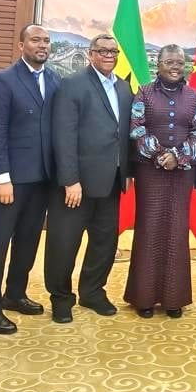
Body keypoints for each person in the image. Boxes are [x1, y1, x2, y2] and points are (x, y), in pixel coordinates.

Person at [45, 34, 133, 324]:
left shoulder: (123, 87)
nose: (109, 55)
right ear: (90, 53)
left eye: (113, 51)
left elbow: (125, 135)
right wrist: (70, 180)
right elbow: (64, 135)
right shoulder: (72, 84)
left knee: (104, 243)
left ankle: (93, 292)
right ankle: (61, 298)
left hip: (111, 182)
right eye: (102, 51)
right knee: (64, 244)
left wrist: (127, 173)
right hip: (76, 185)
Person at [0, 24, 60, 334]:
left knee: (28, 239)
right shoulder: (4, 80)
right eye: (35, 40)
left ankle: (15, 294)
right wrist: (2, 177)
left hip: (42, 178)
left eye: (46, 41)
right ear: (21, 45)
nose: (42, 45)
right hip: (11, 180)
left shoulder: (54, 79)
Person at [123, 44, 196, 319]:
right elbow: (136, 129)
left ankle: (174, 299)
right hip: (150, 172)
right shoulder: (144, 92)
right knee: (149, 228)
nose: (175, 67)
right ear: (158, 65)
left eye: (179, 63)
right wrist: (161, 155)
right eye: (169, 62)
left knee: (177, 230)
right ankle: (144, 297)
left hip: (182, 173)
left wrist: (178, 157)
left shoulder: (193, 95)